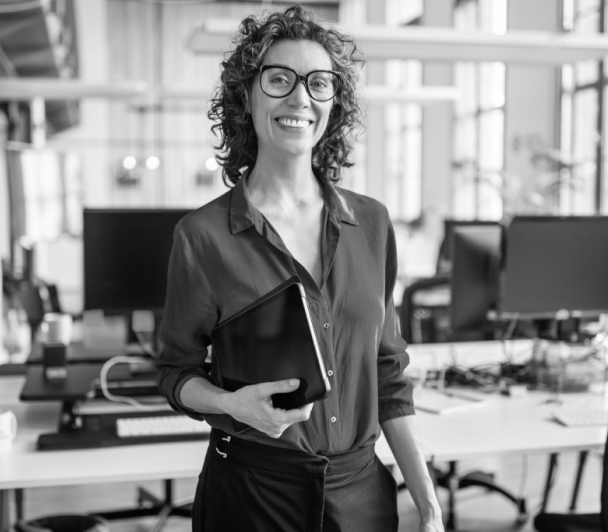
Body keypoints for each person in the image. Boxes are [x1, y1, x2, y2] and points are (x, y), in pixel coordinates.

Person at [155, 6, 444, 531]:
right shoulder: (202, 237)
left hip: (361, 494)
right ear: (246, 95)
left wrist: (427, 502)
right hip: (251, 494)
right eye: (280, 79)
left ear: (334, 102)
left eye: (318, 83)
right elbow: (176, 372)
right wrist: (232, 404)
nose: (300, 98)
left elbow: (389, 378)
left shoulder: (372, 224)